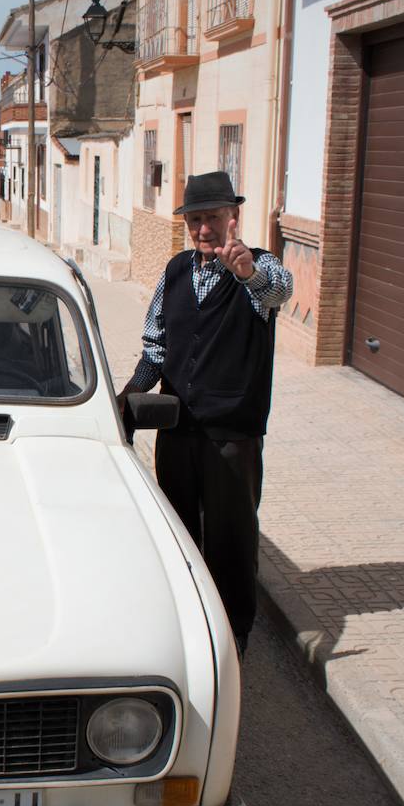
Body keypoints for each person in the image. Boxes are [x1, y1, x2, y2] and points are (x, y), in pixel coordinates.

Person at [117, 171, 293, 656]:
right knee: (180, 533)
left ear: (232, 217)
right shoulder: (175, 272)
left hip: (231, 435)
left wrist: (248, 274)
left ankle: (235, 633)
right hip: (178, 429)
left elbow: (280, 292)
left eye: (212, 218)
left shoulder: (259, 271)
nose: (203, 229)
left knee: (231, 536)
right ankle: (189, 625)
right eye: (195, 220)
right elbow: (157, 347)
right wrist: (125, 399)